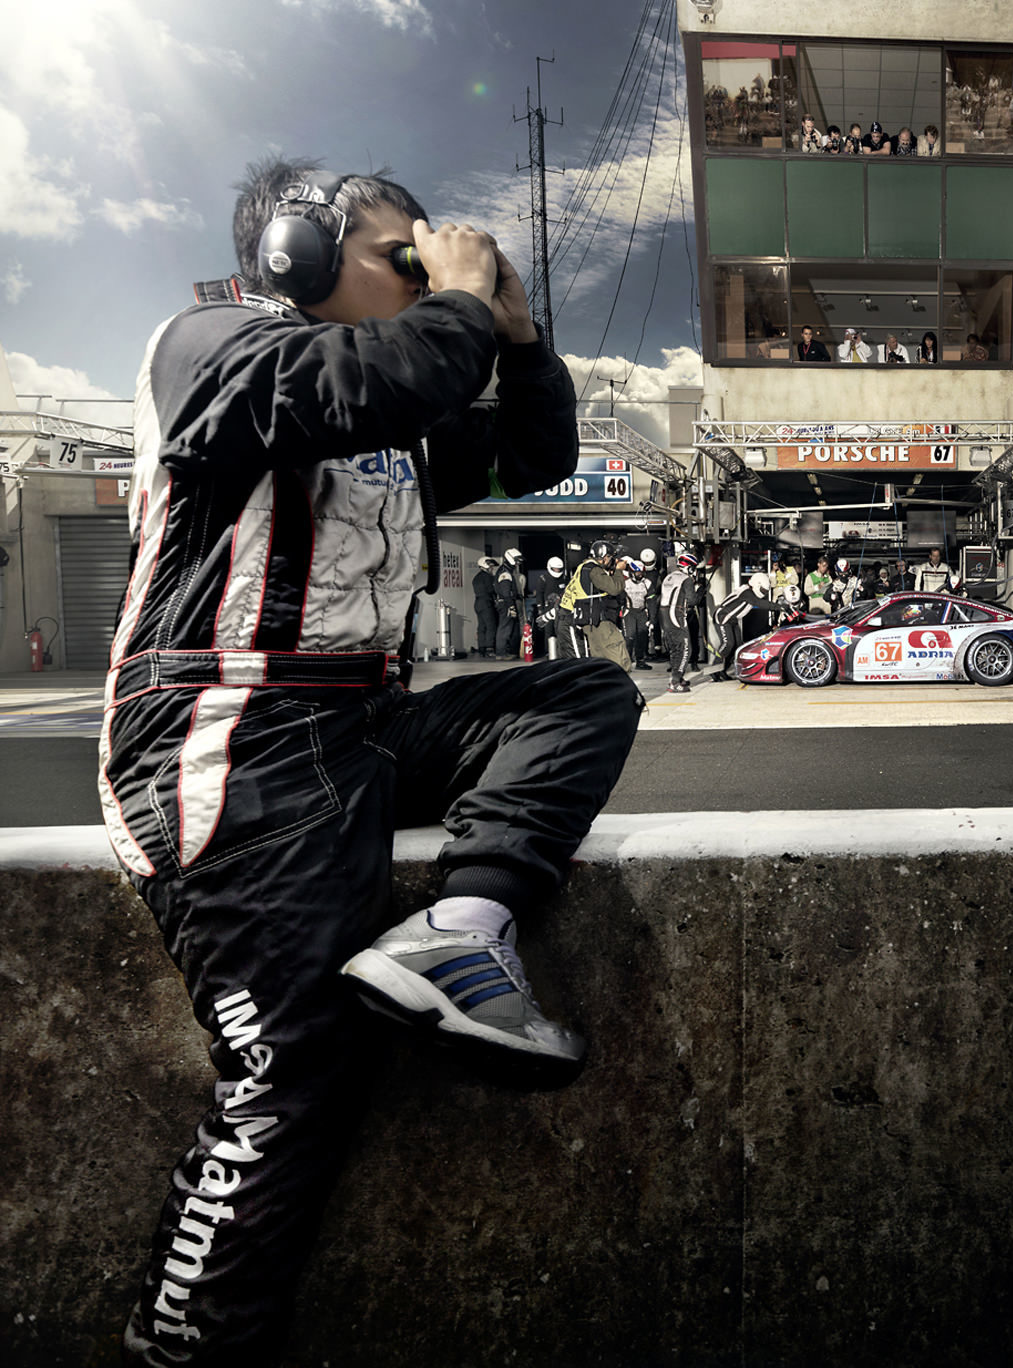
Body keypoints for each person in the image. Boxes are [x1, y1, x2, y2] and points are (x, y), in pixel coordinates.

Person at [100, 159, 641, 1365]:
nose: (431, 270)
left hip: (356, 731)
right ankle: (177, 1346)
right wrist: (454, 306)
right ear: (297, 251)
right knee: (287, 1078)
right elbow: (362, 382)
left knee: (583, 697)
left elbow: (533, 457)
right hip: (228, 740)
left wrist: (517, 334)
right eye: (405, 254)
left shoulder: (397, 415)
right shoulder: (213, 345)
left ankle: (465, 925)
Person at [560, 540, 633, 668]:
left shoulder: (583, 567)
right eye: (611, 557)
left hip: (589, 620)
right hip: (599, 621)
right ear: (605, 557)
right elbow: (614, 588)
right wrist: (618, 570)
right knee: (616, 653)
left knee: (600, 659)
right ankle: (618, 682)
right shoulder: (593, 570)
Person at [709, 570, 776, 681]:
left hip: (732, 619)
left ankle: (722, 670)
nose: (763, 593)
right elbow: (759, 603)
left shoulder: (749, 592)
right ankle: (714, 670)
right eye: (763, 590)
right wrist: (780, 607)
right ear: (757, 584)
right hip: (723, 618)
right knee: (728, 644)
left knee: (737, 646)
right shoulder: (747, 592)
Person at [660, 551, 703, 693]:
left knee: (674, 649)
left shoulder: (668, 577)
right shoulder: (687, 580)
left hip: (664, 614)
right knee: (685, 649)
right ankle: (675, 682)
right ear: (689, 567)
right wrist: (700, 591)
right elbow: (692, 601)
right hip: (676, 615)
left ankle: (677, 676)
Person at [621, 553, 656, 670]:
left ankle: (640, 661)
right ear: (631, 572)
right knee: (629, 636)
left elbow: (651, 602)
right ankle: (627, 661)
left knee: (642, 636)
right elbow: (619, 599)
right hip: (629, 612)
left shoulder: (647, 583)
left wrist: (652, 618)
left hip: (642, 612)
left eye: (641, 573)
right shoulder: (625, 584)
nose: (640, 575)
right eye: (637, 573)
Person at [495, 549, 527, 659]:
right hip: (505, 604)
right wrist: (511, 606)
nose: (518, 563)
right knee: (505, 628)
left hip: (506, 602)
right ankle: (501, 653)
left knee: (510, 628)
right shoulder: (505, 573)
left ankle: (506, 652)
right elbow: (505, 592)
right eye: (517, 561)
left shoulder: (507, 571)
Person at [471, 554, 501, 658]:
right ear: (485, 566)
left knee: (481, 626)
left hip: (477, 603)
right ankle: (490, 649)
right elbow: (492, 590)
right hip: (486, 603)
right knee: (491, 626)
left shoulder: (476, 578)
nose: (492, 568)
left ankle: (481, 648)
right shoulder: (488, 577)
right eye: (491, 566)